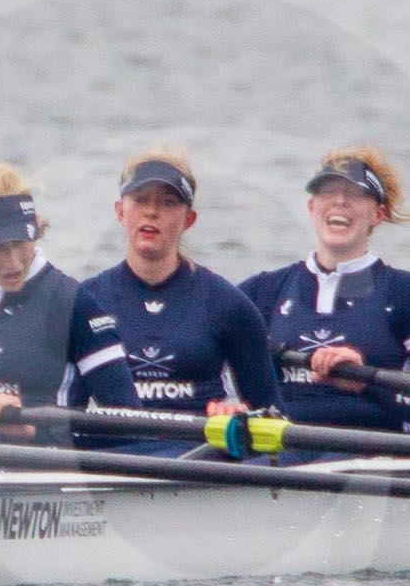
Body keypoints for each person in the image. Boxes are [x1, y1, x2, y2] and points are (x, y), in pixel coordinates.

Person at [239, 146, 410, 436]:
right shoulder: (263, 290)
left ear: (378, 214)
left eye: (355, 194)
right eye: (327, 192)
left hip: (372, 454)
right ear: (311, 208)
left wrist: (367, 384)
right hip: (283, 448)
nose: (339, 201)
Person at [0, 163, 141, 439]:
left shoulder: (75, 304)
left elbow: (128, 425)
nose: (13, 262)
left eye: (20, 243)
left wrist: (29, 426)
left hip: (35, 468)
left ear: (34, 227)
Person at [80, 148, 280, 425]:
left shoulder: (227, 304)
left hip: (198, 453)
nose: (151, 212)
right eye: (140, 200)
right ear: (120, 211)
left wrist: (241, 415)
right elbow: (60, 412)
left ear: (189, 220)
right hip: (115, 453)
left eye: (168, 202)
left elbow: (272, 415)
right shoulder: (86, 301)